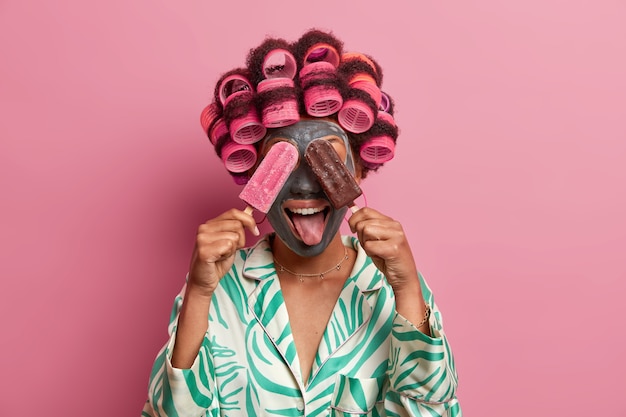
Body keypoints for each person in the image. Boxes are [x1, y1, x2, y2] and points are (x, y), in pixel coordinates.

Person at [142, 29, 462, 416]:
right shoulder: (218, 286)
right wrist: (198, 292)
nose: (307, 185)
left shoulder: (391, 286)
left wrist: (408, 287)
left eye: (326, 155)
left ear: (358, 171)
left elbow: (432, 410)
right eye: (283, 157)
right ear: (254, 173)